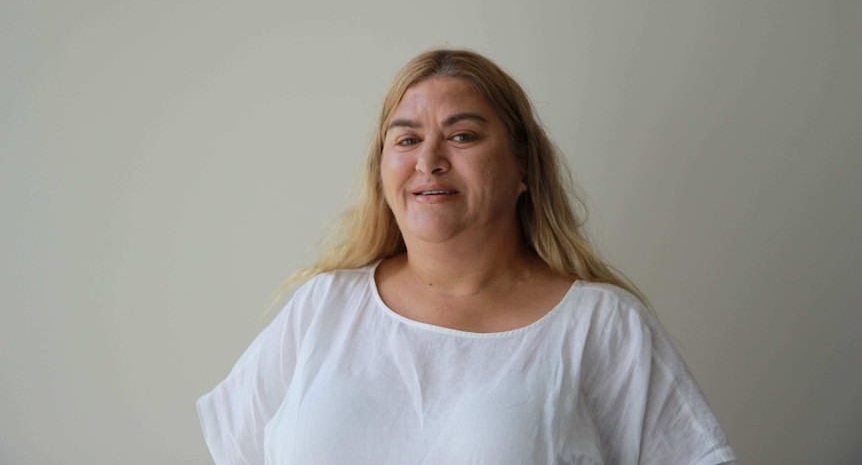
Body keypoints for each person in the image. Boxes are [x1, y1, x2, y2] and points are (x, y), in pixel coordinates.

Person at [197, 49, 738, 464]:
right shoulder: (322, 310)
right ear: (381, 169)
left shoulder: (602, 326)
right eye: (406, 140)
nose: (428, 160)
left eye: (461, 135)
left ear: (523, 166)